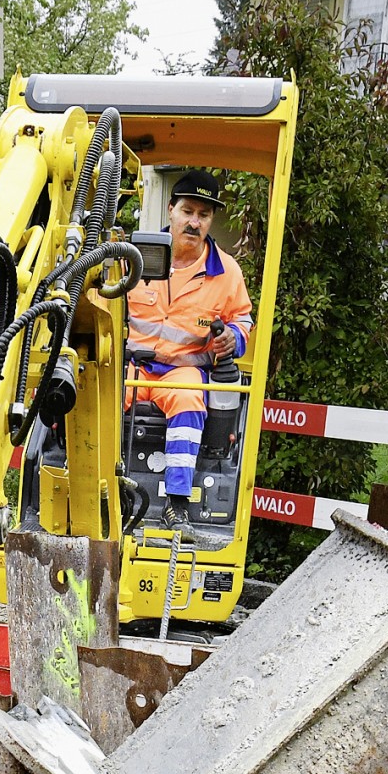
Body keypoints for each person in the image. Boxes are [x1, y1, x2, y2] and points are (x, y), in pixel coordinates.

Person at [125, 169, 254, 527]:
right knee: (97, 391)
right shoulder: (134, 256)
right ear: (170, 210)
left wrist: (233, 337)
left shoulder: (226, 272)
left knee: (189, 395)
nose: (194, 222)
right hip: (130, 367)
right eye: (188, 211)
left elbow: (242, 319)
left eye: (204, 215)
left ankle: (177, 502)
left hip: (181, 371)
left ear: (211, 220)